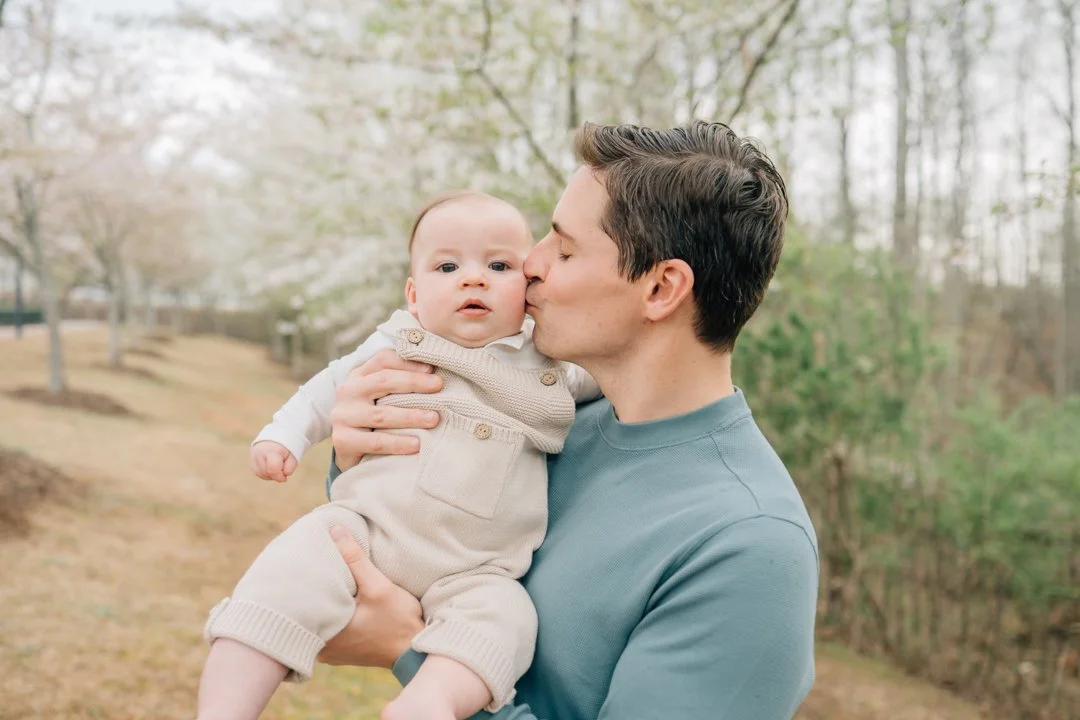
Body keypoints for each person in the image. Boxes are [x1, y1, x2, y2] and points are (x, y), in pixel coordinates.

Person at [319, 120, 820, 719]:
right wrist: (360, 451)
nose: (528, 264)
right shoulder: (550, 419)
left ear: (661, 288)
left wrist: (412, 656)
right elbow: (417, 554)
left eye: (564, 246)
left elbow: (403, 627)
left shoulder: (749, 548)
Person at [196, 190, 600, 720]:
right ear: (413, 294)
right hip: (365, 529)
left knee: (507, 621)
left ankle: (429, 703)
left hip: (477, 571)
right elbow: (328, 389)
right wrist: (283, 436)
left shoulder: (550, 365)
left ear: (527, 289)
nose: (473, 278)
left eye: (499, 265)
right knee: (285, 575)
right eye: (448, 265)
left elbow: (607, 375)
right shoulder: (399, 341)